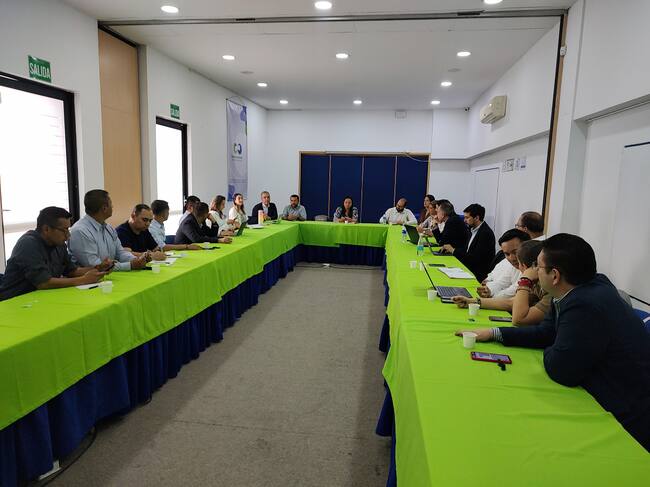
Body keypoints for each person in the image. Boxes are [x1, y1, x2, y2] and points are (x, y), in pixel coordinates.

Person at [455, 234, 650, 451]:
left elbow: (560, 369)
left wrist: (555, 344)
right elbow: (546, 332)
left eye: (538, 267)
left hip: (626, 419)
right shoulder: (582, 288)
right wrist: (494, 333)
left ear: (555, 275)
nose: (534, 272)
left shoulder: (584, 304)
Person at [0, 207, 107, 301]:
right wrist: (83, 280)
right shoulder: (28, 244)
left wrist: (98, 268)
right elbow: (43, 283)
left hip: (41, 298)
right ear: (46, 229)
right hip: (14, 300)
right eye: (64, 230)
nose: (68, 235)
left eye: (68, 230)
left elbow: (71, 271)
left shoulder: (59, 244)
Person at [453, 240, 551, 326]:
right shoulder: (537, 284)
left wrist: (525, 280)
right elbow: (511, 303)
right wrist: (472, 302)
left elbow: (519, 320)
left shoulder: (550, 290)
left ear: (524, 266)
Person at [69, 190, 147, 271]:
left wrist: (136, 260)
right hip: (90, 278)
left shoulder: (109, 228)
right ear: (104, 208)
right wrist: (130, 265)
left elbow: (120, 253)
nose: (112, 206)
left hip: (109, 275)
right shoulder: (80, 231)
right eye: (111, 204)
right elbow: (95, 265)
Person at [442, 204, 495, 282]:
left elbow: (475, 258)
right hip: (469, 268)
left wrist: (453, 250)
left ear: (476, 218)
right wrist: (452, 249)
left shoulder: (485, 233)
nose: (464, 220)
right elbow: (467, 250)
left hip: (477, 274)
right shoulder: (472, 229)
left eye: (467, 217)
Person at [477, 229, 530, 299]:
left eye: (515, 252)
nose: (512, 258)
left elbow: (512, 292)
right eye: (507, 254)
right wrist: (489, 291)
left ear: (527, 247)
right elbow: (501, 283)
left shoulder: (533, 267)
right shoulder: (512, 265)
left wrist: (491, 297)